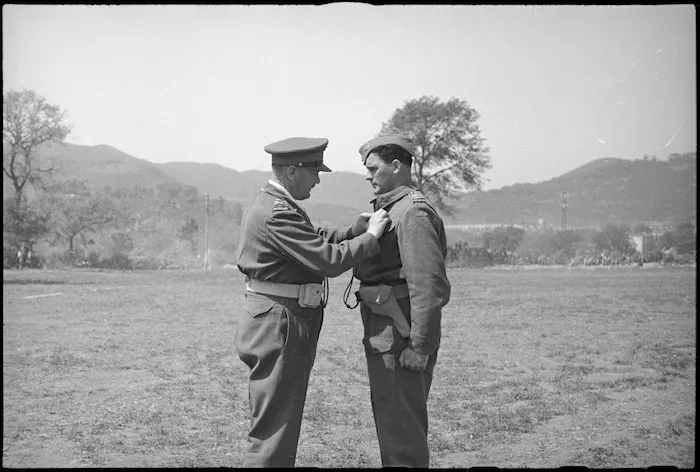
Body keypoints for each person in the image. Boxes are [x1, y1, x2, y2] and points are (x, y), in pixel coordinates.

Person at [234, 136, 391, 468]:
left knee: (279, 422)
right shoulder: (276, 213)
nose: (318, 180)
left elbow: (313, 239)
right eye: (314, 172)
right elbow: (329, 261)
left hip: (279, 320)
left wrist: (352, 231)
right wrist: (371, 236)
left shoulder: (278, 205)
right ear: (292, 171)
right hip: (279, 324)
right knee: (274, 429)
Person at [347, 134, 451, 467]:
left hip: (400, 337)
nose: (367, 175)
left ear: (396, 166)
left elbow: (428, 285)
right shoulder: (392, 209)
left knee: (401, 433)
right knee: (394, 424)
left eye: (373, 168)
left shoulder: (412, 214)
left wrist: (420, 347)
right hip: (388, 331)